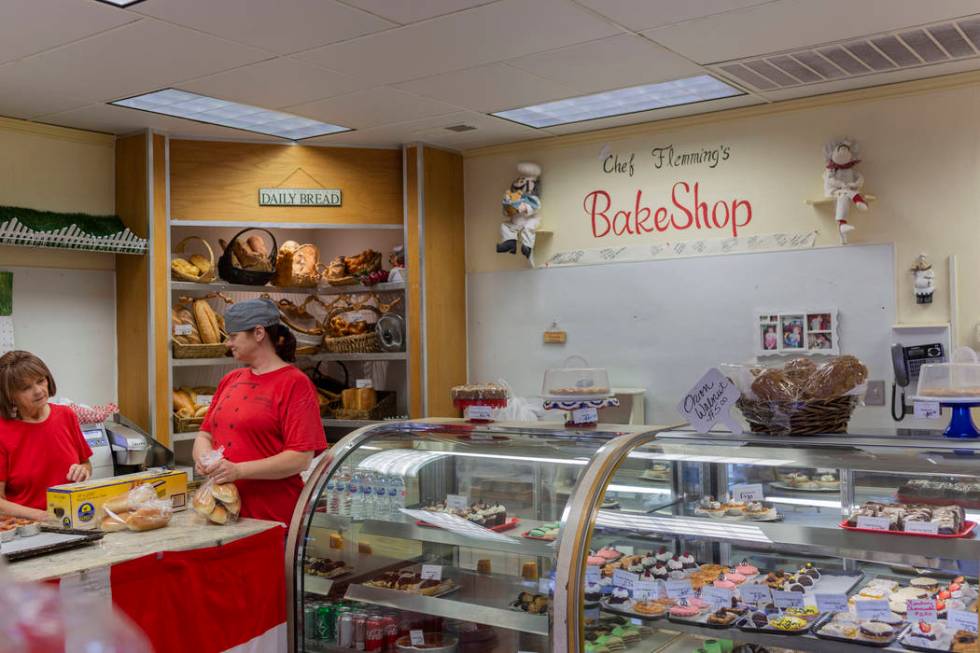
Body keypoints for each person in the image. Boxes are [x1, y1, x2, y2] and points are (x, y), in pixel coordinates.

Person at [193, 298, 326, 525]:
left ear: (258, 333)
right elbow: (205, 434)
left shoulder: (295, 383)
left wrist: (239, 470)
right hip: (221, 514)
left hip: (271, 517)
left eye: (234, 336)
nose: (228, 343)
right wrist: (205, 459)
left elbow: (300, 458)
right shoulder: (230, 380)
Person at [0, 351, 92, 521]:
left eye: (41, 380)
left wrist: (83, 470)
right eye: (26, 388)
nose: (38, 391)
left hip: (73, 518)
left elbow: (85, 463)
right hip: (27, 527)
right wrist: (43, 516)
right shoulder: (2, 431)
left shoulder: (66, 415)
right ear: (10, 395)